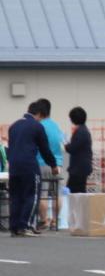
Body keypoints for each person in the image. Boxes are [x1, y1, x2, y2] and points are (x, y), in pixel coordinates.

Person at [6, 100, 59, 237]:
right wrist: (53, 165)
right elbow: (44, 149)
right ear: (39, 114)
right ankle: (25, 225)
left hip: (13, 165)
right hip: (29, 165)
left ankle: (15, 227)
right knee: (32, 195)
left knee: (16, 196)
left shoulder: (13, 126)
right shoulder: (36, 126)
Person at [33, 99, 65, 230]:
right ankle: (55, 221)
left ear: (39, 112)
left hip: (43, 163)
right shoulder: (56, 126)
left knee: (43, 194)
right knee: (57, 194)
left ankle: (44, 220)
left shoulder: (39, 126)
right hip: (58, 164)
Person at [64, 106, 93, 197]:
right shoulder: (84, 130)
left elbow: (72, 148)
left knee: (74, 193)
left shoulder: (80, 132)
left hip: (78, 169)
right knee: (78, 192)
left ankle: (76, 211)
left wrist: (65, 143)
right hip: (82, 168)